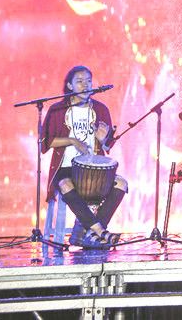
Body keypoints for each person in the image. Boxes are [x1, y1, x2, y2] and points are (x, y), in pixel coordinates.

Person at [42, 66, 127, 249]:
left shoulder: (101, 109)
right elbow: (46, 142)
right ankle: (99, 231)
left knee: (121, 183)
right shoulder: (57, 110)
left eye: (88, 81)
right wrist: (72, 141)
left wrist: (103, 140)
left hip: (94, 170)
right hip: (65, 169)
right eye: (79, 81)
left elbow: (107, 146)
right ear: (70, 86)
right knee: (65, 184)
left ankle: (88, 234)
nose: (85, 85)